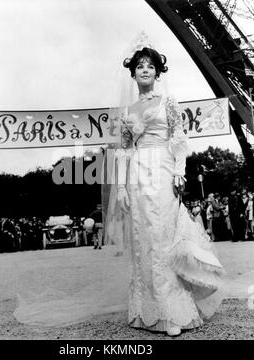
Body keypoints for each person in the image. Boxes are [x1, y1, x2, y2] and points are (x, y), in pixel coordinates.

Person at [106, 41, 225, 337]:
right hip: (136, 173)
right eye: (139, 66)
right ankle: (144, 311)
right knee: (141, 236)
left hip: (161, 167)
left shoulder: (168, 103)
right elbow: (122, 150)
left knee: (162, 236)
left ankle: (170, 312)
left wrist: (178, 171)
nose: (144, 70)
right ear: (133, 74)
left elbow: (179, 138)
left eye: (150, 66)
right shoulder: (127, 110)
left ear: (157, 72)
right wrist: (120, 188)